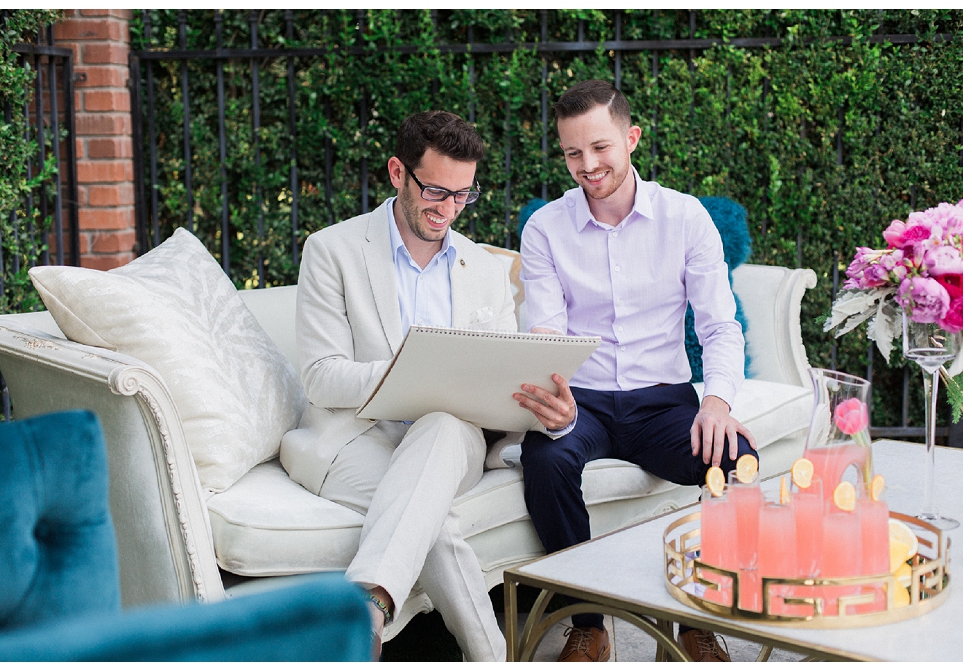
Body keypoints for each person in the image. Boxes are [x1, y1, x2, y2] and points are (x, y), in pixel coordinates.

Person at [513, 80, 758, 663]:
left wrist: (717, 401)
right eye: (573, 153)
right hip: (584, 400)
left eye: (600, 148)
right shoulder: (545, 228)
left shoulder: (686, 217)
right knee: (544, 460)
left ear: (632, 138)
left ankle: (694, 614)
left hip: (663, 401)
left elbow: (720, 326)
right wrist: (557, 403)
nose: (588, 165)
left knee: (736, 457)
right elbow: (545, 335)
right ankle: (589, 621)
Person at [280, 111, 530, 662]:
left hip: (451, 440)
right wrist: (409, 374)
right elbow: (322, 375)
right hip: (356, 435)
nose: (448, 210)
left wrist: (535, 404)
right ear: (398, 172)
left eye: (464, 196)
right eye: (436, 191)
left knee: (441, 424)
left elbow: (500, 381)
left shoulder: (484, 268)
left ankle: (364, 613)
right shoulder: (332, 250)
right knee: (429, 523)